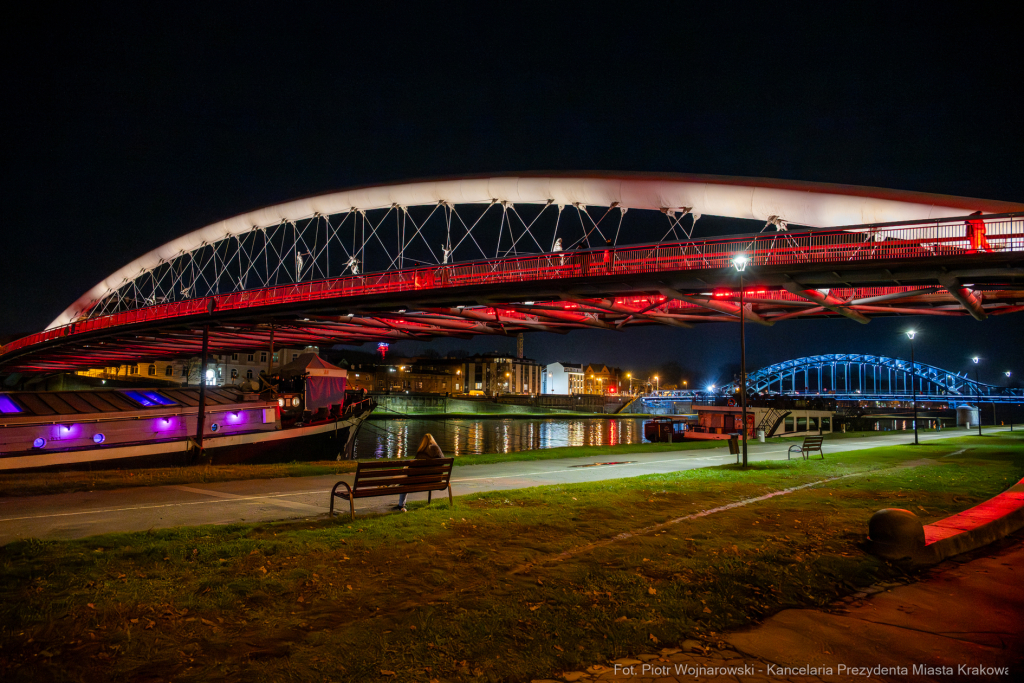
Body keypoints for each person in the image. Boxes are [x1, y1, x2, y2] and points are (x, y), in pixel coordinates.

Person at [396, 433, 444, 512]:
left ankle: (401, 505)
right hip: (436, 480)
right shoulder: (438, 451)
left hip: (419, 481)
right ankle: (388, 484)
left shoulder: (421, 453)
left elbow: (413, 470)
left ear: (423, 442)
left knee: (403, 482)